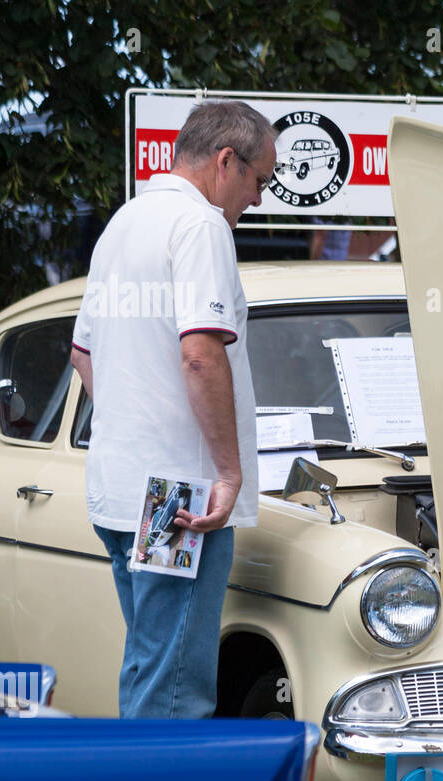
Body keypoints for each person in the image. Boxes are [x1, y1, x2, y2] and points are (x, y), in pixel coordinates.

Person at [69, 100, 277, 718]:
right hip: (178, 497)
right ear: (225, 161)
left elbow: (82, 355)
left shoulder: (125, 223)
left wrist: (138, 417)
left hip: (119, 482)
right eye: (260, 181)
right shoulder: (201, 225)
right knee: (175, 692)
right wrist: (230, 474)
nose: (258, 200)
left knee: (150, 663)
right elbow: (200, 355)